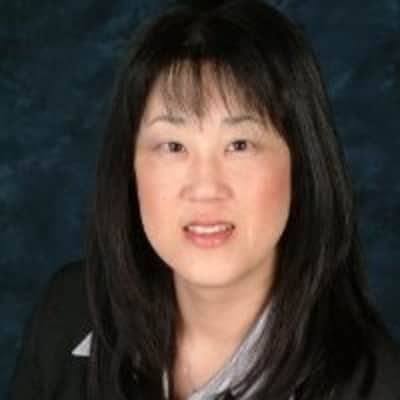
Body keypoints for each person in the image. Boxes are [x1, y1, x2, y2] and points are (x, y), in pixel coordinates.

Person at [8, 0, 400, 399]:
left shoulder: (373, 386)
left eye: (239, 145)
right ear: (129, 167)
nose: (205, 187)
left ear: (303, 164)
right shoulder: (70, 311)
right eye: (174, 146)